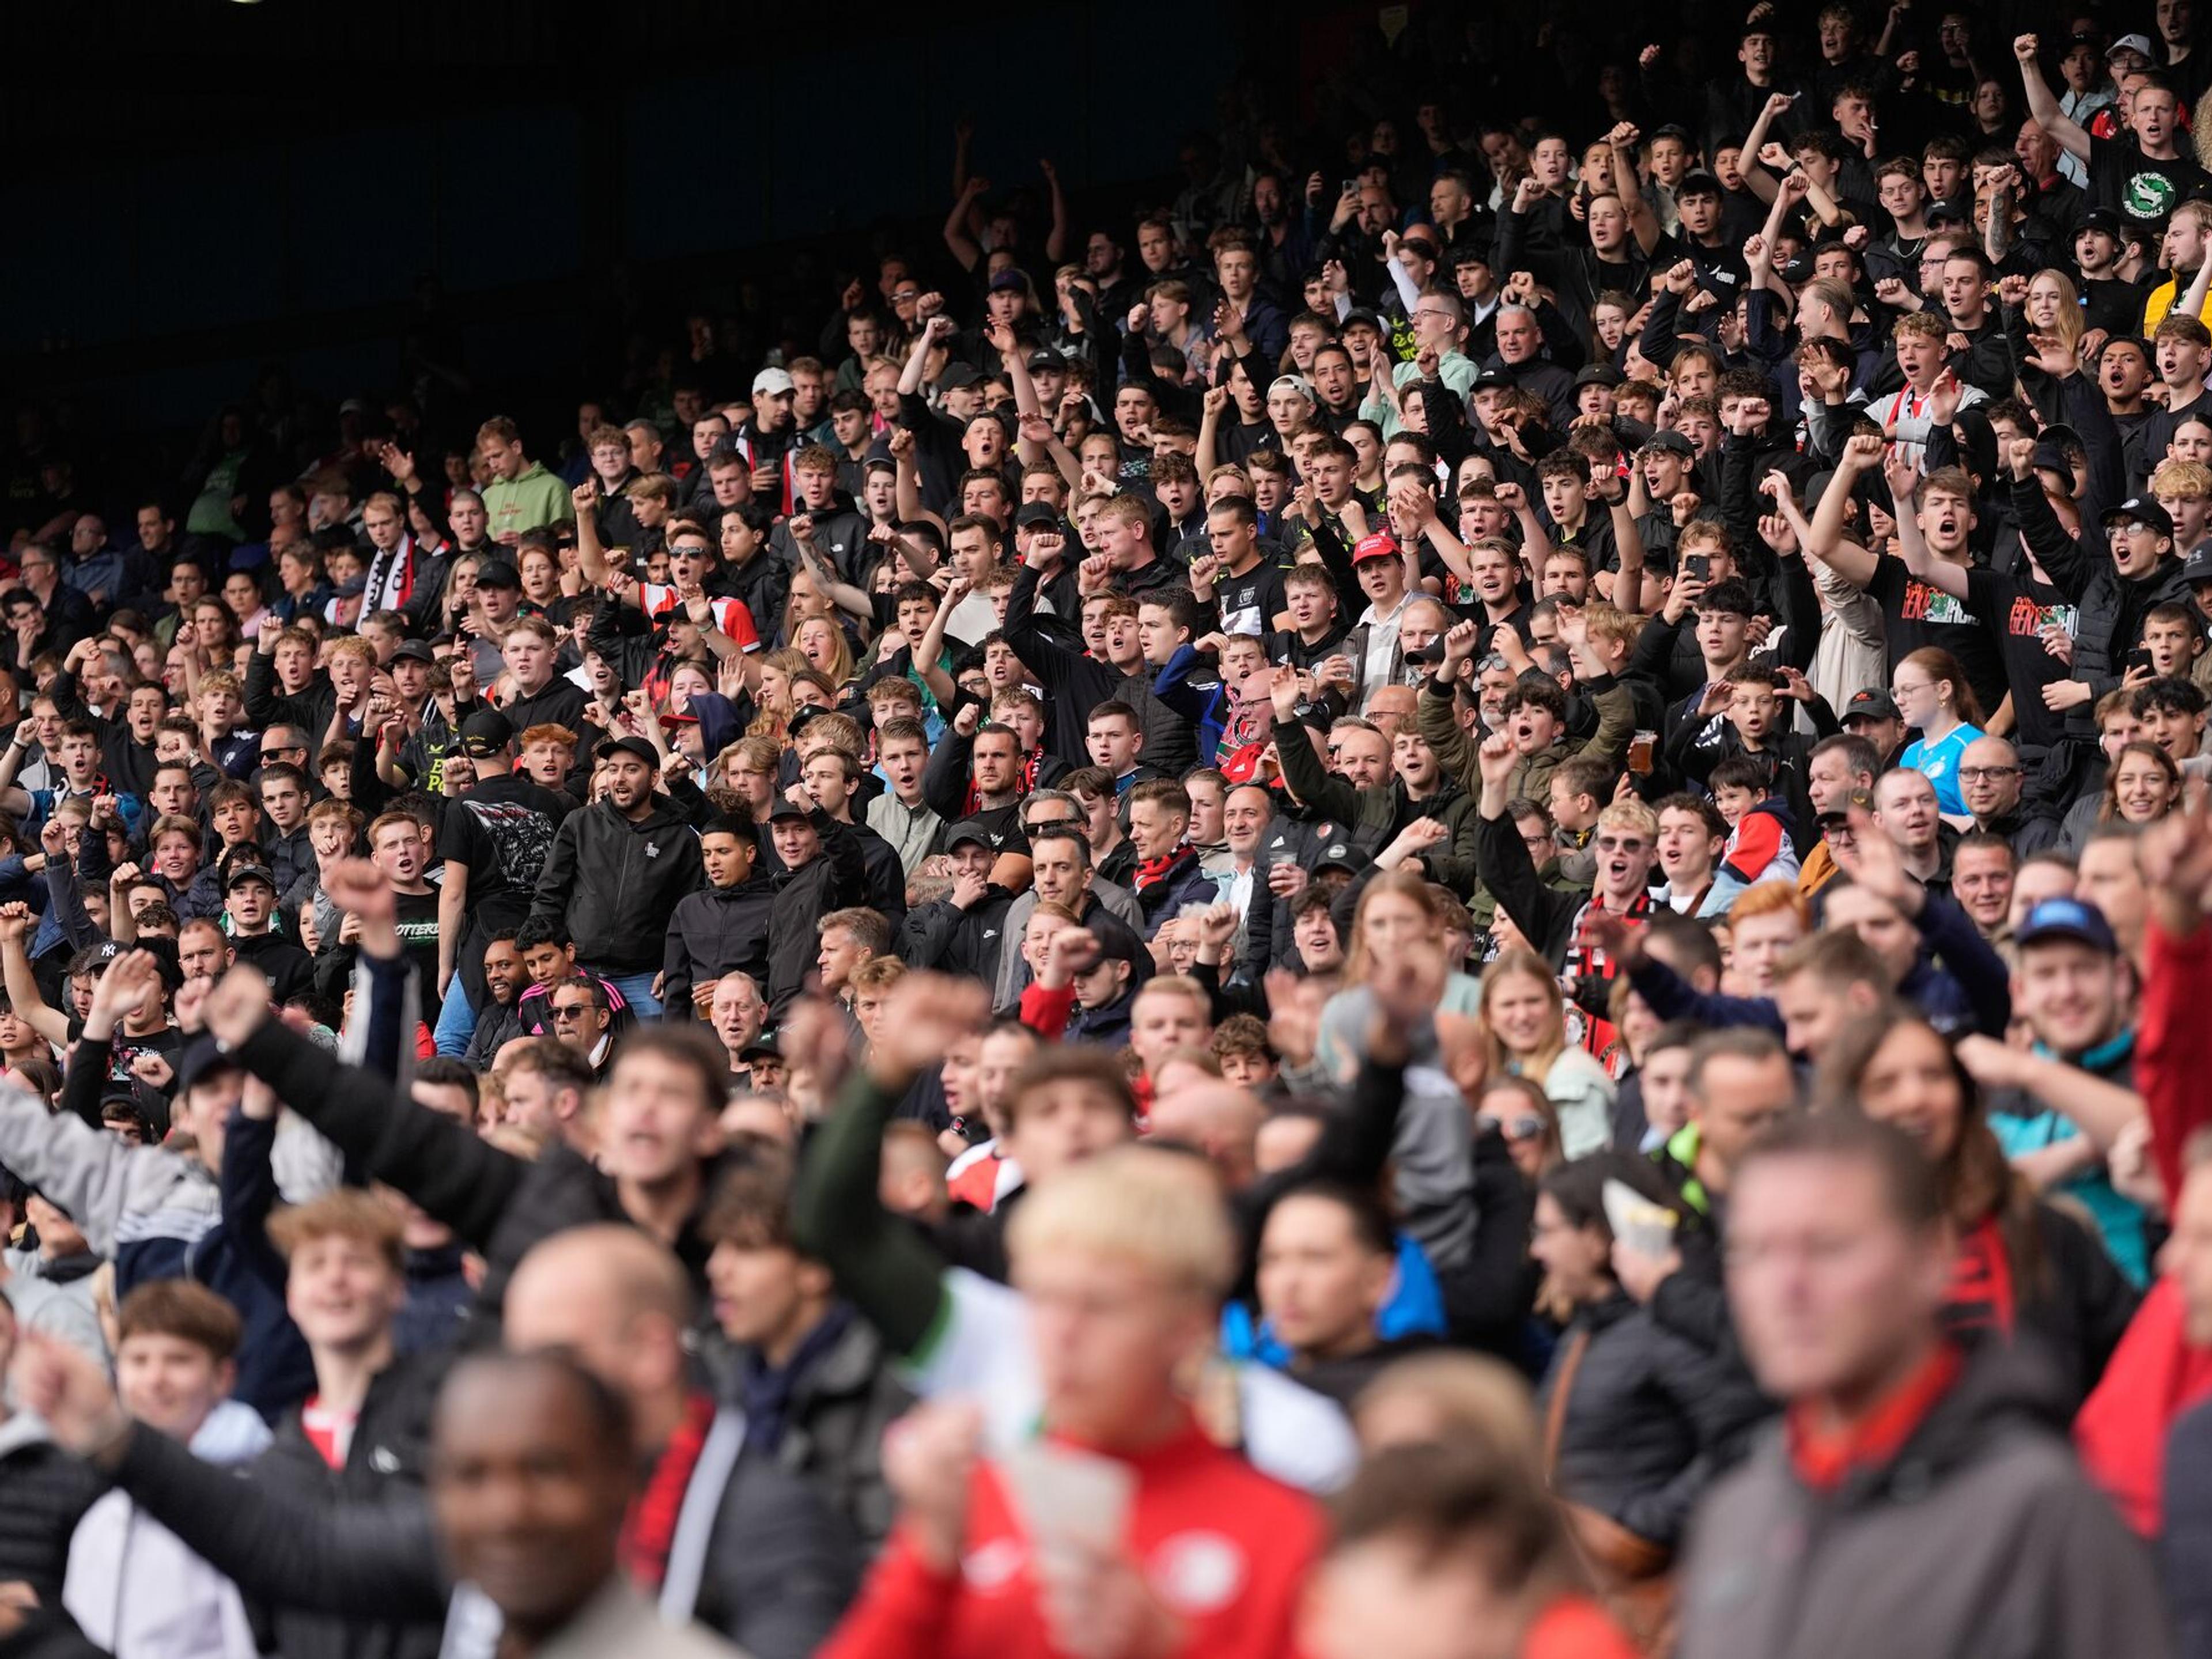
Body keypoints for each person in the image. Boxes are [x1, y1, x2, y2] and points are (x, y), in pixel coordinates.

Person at [1676, 1110, 2171, 1658]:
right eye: (1752, 1252)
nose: (1784, 1287)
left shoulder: (2040, 1515)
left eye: (1827, 1247)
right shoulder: (1734, 1514)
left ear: (1934, 1257)